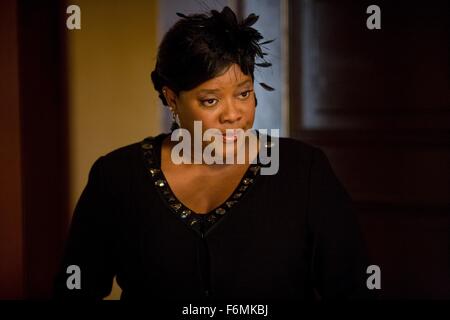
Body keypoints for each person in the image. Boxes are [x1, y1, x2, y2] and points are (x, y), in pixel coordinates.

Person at [53, 6, 373, 301]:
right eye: (210, 100)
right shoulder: (118, 177)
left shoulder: (304, 171)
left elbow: (353, 290)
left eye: (244, 93)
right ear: (172, 99)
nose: (232, 115)